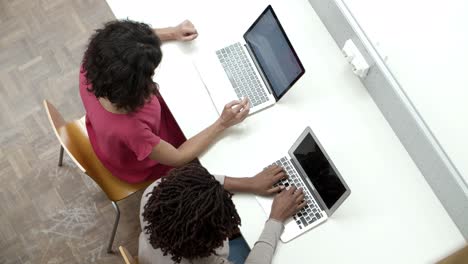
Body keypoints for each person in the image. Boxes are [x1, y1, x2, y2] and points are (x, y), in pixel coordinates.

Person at [79, 19, 250, 183]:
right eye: (149, 73)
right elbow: (178, 157)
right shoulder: (133, 131)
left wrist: (172, 32)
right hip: (142, 158)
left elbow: (126, 45)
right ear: (134, 85)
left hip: (111, 139)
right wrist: (222, 123)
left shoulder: (94, 61)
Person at [139, 163, 306, 264]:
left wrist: (250, 183)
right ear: (213, 241)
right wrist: (276, 219)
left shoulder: (154, 194)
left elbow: (197, 183)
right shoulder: (206, 260)